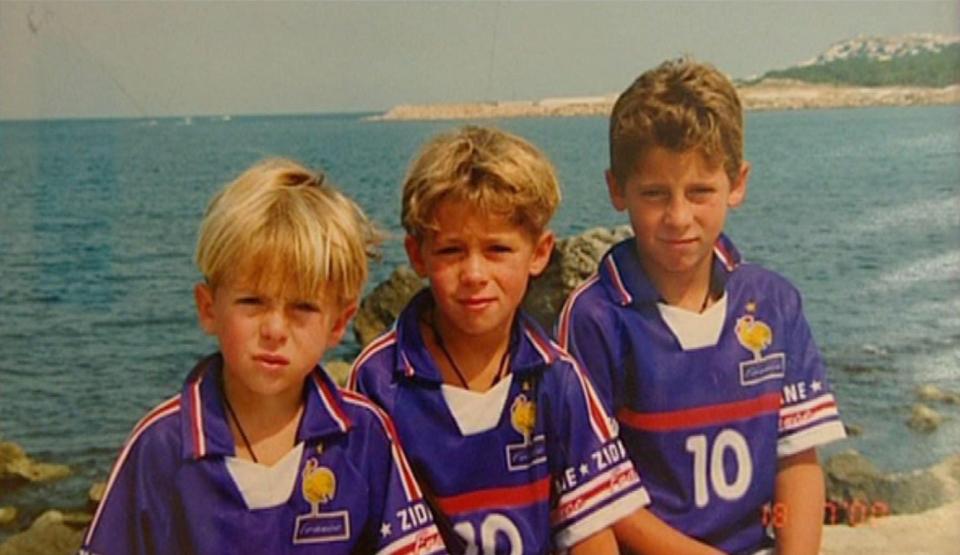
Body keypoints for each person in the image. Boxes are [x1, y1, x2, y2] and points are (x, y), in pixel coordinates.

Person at [80, 159, 445, 555]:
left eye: (302, 308)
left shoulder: (364, 436)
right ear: (208, 308)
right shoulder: (162, 446)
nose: (274, 329)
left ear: (339, 323)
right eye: (252, 302)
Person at [557, 58, 847, 555]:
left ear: (737, 183)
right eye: (653, 194)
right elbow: (596, 500)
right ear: (616, 189)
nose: (678, 217)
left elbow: (797, 459)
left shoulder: (773, 303)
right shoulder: (595, 318)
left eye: (700, 192)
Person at [348, 126, 650, 554]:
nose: (474, 274)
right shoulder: (380, 382)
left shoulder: (557, 378)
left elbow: (593, 531)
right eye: (451, 251)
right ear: (417, 255)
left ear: (540, 253)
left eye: (497, 250)